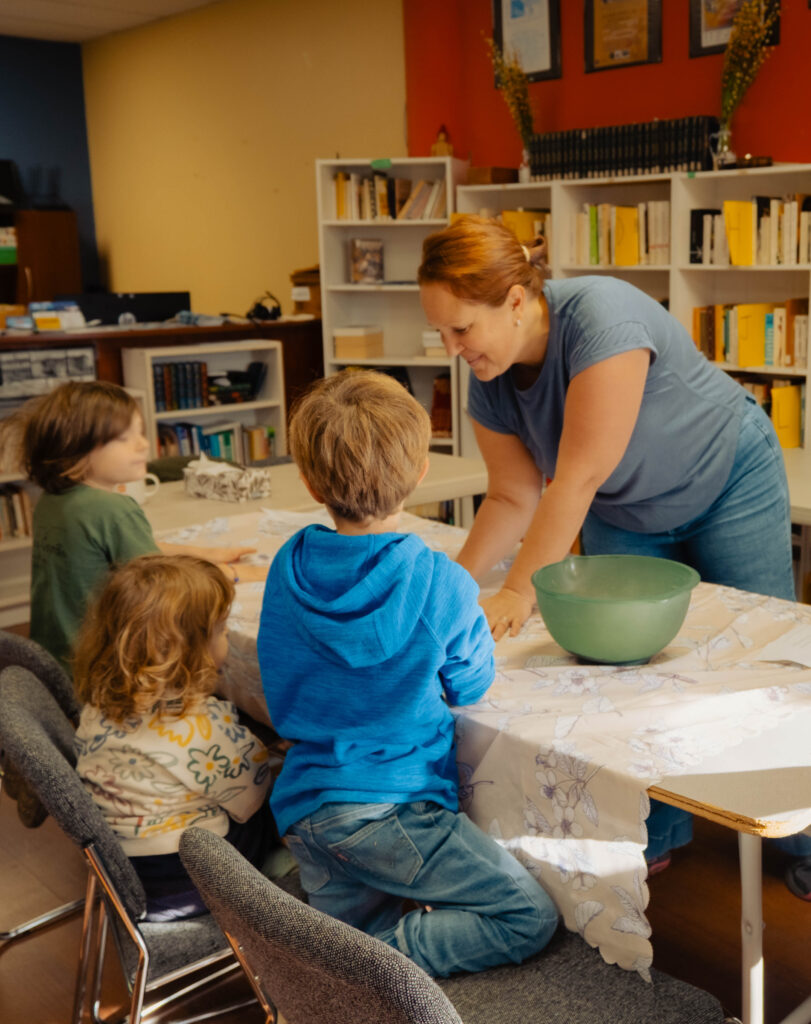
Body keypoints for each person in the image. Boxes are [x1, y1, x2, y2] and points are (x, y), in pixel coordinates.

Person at [417, 214, 795, 871]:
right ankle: (661, 837)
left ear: (513, 300)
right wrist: (451, 587)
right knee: (631, 673)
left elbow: (576, 478)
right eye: (442, 331)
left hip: (726, 476)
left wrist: (513, 592)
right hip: (622, 507)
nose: (453, 347)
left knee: (766, 667)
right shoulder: (491, 379)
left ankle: (802, 843)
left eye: (461, 328)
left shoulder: (600, 317)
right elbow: (511, 495)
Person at [256, 369, 558, 978]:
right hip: (391, 810)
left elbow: (279, 671)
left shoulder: (287, 564)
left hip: (305, 809)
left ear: (311, 481)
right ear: (422, 473)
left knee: (353, 940)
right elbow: (470, 685)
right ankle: (368, 966)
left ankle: (344, 965)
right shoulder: (442, 583)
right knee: (528, 915)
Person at [73, 553, 280, 921]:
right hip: (189, 879)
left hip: (125, 867)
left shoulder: (98, 701)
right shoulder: (195, 730)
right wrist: (271, 757)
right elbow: (252, 794)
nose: (228, 634)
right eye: (220, 629)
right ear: (184, 651)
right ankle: (287, 877)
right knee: (288, 801)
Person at [18, 379, 266, 669]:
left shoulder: (51, 500)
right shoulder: (113, 509)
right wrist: (237, 572)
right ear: (77, 449)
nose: (143, 444)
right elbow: (163, 586)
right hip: (101, 668)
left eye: (140, 433)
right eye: (124, 438)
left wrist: (206, 553)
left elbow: (122, 552)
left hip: (53, 664)